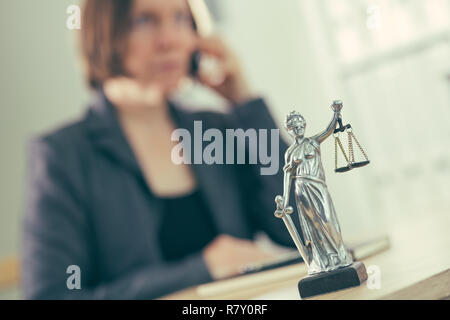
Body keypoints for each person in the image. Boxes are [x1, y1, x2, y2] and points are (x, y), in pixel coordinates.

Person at [22, 0, 295, 299]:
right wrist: (202, 269)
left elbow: (301, 231)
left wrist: (246, 105)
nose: (171, 40)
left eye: (180, 19)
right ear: (102, 33)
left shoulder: (216, 130)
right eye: (144, 21)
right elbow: (51, 295)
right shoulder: (63, 156)